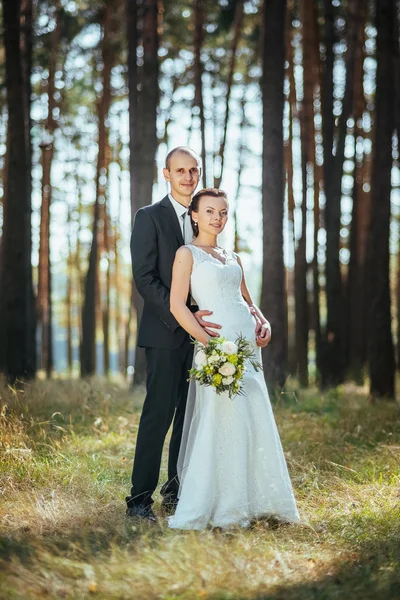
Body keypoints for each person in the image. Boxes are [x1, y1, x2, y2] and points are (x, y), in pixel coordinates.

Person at [125, 147, 272, 523]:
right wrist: (188, 316)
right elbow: (144, 278)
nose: (188, 177)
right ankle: (139, 499)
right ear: (167, 174)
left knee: (194, 417)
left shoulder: (207, 217)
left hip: (213, 336)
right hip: (166, 333)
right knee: (159, 415)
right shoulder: (149, 217)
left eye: (194, 170)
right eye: (180, 171)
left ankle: (179, 491)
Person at [168, 188, 300, 530]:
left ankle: (260, 499)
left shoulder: (233, 257)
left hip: (247, 348)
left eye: (223, 212)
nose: (218, 218)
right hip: (217, 348)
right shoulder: (187, 254)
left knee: (252, 413)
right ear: (194, 216)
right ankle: (224, 505)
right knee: (221, 417)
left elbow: (249, 303)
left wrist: (264, 321)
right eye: (210, 211)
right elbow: (177, 305)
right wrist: (207, 341)